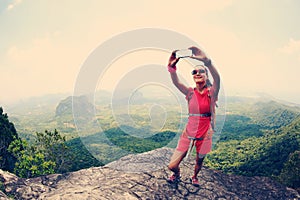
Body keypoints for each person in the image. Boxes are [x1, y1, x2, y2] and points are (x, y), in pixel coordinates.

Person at [167, 46, 220, 186]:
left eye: (201, 71)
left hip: (205, 134)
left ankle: (194, 176)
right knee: (172, 165)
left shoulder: (211, 92)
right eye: (194, 71)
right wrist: (171, 68)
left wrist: (207, 62)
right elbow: (176, 82)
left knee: (199, 160)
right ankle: (176, 173)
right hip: (188, 132)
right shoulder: (190, 93)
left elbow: (217, 78)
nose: (197, 73)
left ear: (206, 76)